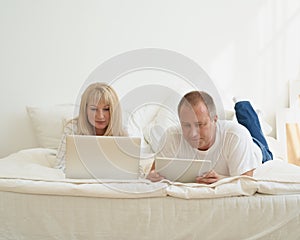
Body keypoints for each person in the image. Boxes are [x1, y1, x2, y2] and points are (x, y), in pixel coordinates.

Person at [147, 91, 273, 184]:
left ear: (215, 119)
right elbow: (154, 172)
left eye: (200, 125)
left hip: (257, 150)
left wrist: (221, 180)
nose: (193, 134)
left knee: (250, 128)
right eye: (186, 125)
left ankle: (243, 104)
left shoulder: (236, 135)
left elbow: (246, 182)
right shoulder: (171, 136)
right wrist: (152, 176)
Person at [55, 82, 127, 171]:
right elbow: (59, 166)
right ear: (85, 110)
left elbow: (133, 169)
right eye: (94, 109)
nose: (100, 116)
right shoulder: (72, 128)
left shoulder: (122, 131)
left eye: (106, 109)